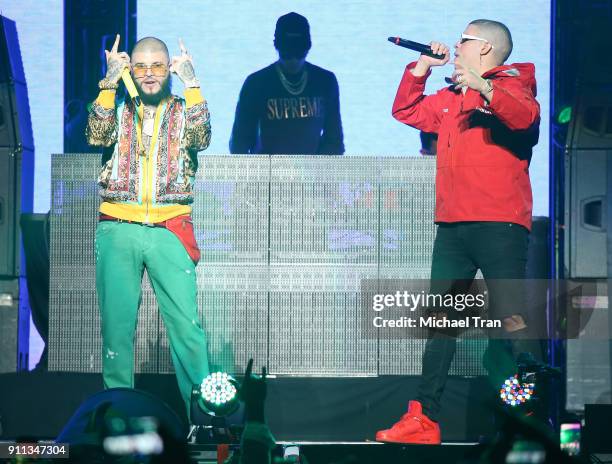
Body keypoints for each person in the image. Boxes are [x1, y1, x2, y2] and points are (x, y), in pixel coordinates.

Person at [376, 19, 541, 444]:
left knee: (511, 323)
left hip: (499, 223)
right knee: (441, 324)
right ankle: (425, 419)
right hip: (453, 226)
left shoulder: (516, 87)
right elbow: (406, 111)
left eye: (464, 39)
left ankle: (529, 421)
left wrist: (483, 88)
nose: (456, 44)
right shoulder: (452, 99)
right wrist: (420, 70)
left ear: (484, 49)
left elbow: (524, 118)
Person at [86, 34, 211, 416]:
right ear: (131, 68)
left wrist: (193, 84)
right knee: (117, 331)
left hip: (170, 227)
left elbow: (202, 137)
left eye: (158, 66)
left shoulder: (182, 108)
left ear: (169, 67)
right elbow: (95, 135)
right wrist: (109, 83)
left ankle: (203, 418)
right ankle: (117, 417)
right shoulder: (119, 106)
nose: (149, 74)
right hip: (118, 226)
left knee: (187, 330)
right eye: (141, 66)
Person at [229, 12, 344, 155]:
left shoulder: (326, 81)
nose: (293, 59)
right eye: (288, 52)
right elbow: (240, 142)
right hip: (268, 174)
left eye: (298, 51)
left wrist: (319, 172)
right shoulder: (256, 84)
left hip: (309, 173)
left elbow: (334, 141)